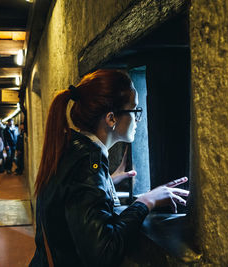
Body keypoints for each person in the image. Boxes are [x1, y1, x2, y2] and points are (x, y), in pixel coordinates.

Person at [29, 69, 189, 267]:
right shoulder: (88, 164)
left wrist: (106, 181)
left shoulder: (72, 148)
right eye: (135, 110)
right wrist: (147, 201)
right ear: (111, 118)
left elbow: (67, 195)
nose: (138, 119)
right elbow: (103, 254)